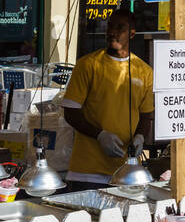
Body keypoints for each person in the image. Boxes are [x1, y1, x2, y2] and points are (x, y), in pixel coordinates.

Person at [62, 10, 155, 187]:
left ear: (132, 33)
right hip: (87, 172)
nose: (112, 32)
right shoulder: (88, 65)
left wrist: (140, 138)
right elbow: (70, 112)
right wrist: (100, 135)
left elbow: (146, 116)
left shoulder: (144, 71)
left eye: (120, 27)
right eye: (110, 26)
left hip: (127, 172)